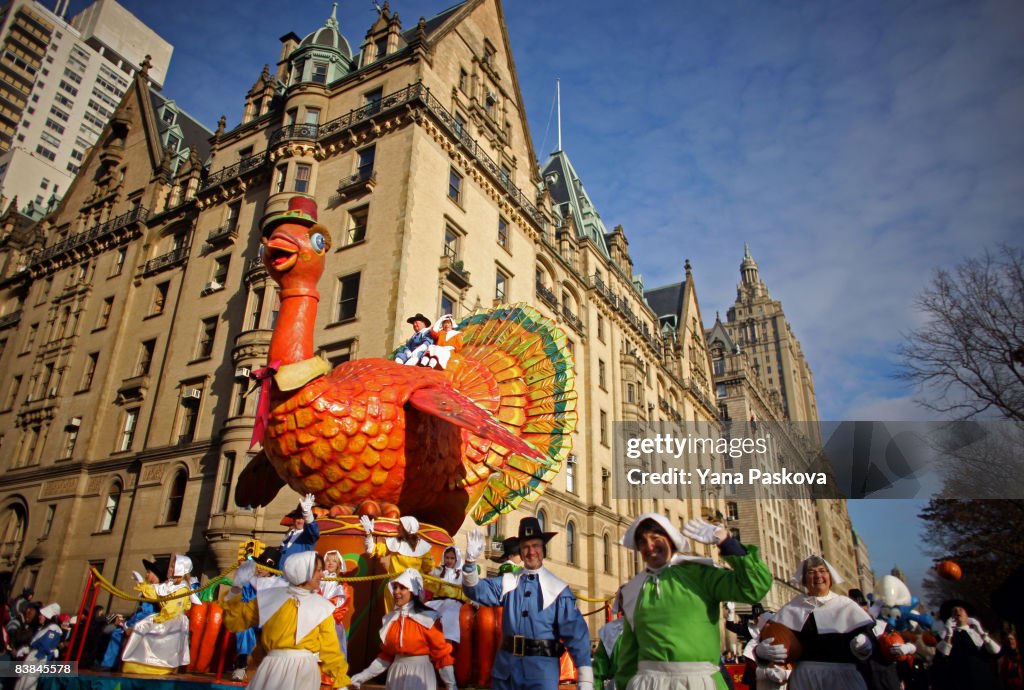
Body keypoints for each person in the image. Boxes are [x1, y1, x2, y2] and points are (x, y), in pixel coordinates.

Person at [614, 513, 772, 690]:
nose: (649, 546)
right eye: (642, 541)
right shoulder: (633, 590)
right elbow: (628, 654)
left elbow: (754, 587)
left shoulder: (699, 574)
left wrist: (727, 541)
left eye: (655, 538)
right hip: (647, 684)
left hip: (699, 683)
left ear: (671, 540)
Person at [462, 516, 594, 690]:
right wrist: (470, 563)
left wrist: (585, 679)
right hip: (506, 673)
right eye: (525, 547)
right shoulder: (508, 582)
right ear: (521, 552)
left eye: (535, 546)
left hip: (541, 675)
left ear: (543, 549)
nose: (531, 552)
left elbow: (576, 634)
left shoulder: (558, 590)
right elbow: (475, 590)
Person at [222, 550, 350, 690]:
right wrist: (236, 588)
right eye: (318, 570)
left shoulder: (322, 607)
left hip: (304, 672)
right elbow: (233, 621)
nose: (322, 574)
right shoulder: (269, 598)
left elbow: (331, 649)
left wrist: (341, 682)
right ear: (304, 572)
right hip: (272, 669)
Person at [759, 555, 874, 690]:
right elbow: (772, 638)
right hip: (805, 679)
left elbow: (874, 645)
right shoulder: (793, 608)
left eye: (822, 571)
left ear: (830, 577)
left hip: (843, 678)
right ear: (804, 580)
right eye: (811, 572)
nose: (818, 575)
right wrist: (761, 653)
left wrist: (866, 647)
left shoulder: (846, 605)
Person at [349, 569, 457, 690]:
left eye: (402, 588)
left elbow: (442, 655)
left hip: (419, 674)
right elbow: (386, 656)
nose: (396, 592)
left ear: (412, 591)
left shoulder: (427, 619)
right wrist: (363, 676)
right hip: (396, 674)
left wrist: (451, 685)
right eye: (395, 587)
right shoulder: (392, 620)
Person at [120, 553, 198, 675]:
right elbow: (156, 593)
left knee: (149, 630)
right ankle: (137, 663)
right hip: (163, 617)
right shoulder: (169, 585)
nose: (170, 569)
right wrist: (142, 584)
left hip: (172, 620)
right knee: (142, 626)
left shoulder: (183, 588)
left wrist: (161, 617)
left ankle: (157, 668)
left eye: (172, 567)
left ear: (180, 569)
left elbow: (173, 608)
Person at [362, 515, 435, 612]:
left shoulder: (423, 548)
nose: (397, 527)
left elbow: (430, 569)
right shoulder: (395, 542)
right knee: (393, 620)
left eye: (400, 525)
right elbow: (372, 550)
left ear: (405, 528)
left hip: (413, 590)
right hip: (394, 589)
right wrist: (368, 534)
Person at [931, 599, 1001, 690]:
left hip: (983, 681)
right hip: (960, 682)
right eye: (954, 611)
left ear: (968, 616)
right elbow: (943, 655)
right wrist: (949, 633)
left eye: (961, 609)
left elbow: (996, 652)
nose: (957, 611)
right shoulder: (947, 636)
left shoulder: (977, 634)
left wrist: (981, 632)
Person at [12, 604, 61, 690]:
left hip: (37, 662)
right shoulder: (42, 628)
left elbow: (44, 648)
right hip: (32, 660)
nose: (39, 616)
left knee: (27, 685)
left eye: (42, 615)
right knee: (20, 684)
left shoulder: (53, 629)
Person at [426, 546, 465, 646]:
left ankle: (448, 644)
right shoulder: (438, 571)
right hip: (438, 600)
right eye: (447, 557)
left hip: (454, 602)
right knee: (423, 610)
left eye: (452, 558)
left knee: (449, 614)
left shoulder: (461, 575)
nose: (449, 560)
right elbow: (428, 578)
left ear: (457, 559)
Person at [319, 549, 351, 657]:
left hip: (332, 618)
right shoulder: (320, 578)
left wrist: (332, 615)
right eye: (328, 560)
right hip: (317, 617)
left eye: (334, 561)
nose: (330, 563)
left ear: (338, 564)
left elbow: (343, 603)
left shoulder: (340, 582)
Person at [280, 493, 320, 569]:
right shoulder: (289, 536)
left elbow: (315, 532)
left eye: (303, 518)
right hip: (282, 577)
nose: (300, 521)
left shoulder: (307, 536)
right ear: (294, 519)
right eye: (298, 517)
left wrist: (307, 515)